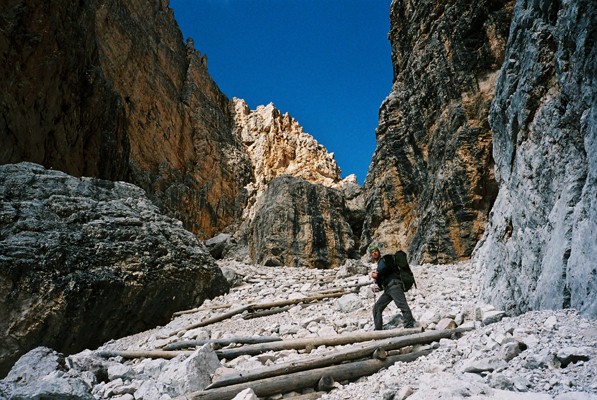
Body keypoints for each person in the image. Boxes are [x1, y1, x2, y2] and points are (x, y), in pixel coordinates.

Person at [369, 246, 416, 330]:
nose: (374, 253)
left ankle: (410, 326)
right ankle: (378, 330)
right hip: (388, 289)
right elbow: (383, 279)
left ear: (379, 252)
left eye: (376, 251)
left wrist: (378, 275)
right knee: (377, 307)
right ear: (371, 255)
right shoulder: (379, 264)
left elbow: (390, 268)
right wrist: (377, 278)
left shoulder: (386, 258)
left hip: (394, 285)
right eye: (372, 252)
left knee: (402, 305)